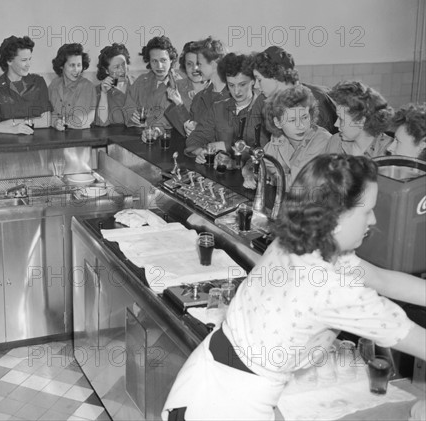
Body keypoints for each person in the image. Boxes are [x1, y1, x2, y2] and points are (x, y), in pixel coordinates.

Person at [164, 154, 426, 421]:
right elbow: (416, 339)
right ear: (335, 219)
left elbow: (383, 280)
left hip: (209, 379)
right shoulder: (330, 287)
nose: (373, 221)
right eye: (367, 210)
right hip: (230, 403)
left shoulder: (302, 242)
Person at [186, 52, 269, 164]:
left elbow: (263, 150)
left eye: (242, 84)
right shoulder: (218, 107)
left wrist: (227, 147)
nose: (236, 91)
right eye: (231, 85)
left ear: (253, 81)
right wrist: (200, 151)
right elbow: (196, 137)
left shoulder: (264, 108)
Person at [243, 85, 331, 190]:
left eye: (304, 117)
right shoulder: (280, 139)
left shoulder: (322, 140)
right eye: (292, 120)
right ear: (278, 123)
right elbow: (256, 160)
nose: (301, 125)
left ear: (311, 115)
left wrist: (273, 178)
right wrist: (249, 173)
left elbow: (300, 183)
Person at [253, 46, 337, 134]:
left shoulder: (315, 99)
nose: (256, 86)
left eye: (259, 80)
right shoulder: (264, 101)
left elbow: (322, 142)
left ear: (275, 76)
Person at [0, 36, 51, 135]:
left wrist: (12, 123)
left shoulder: (38, 82)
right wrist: (11, 129)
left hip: (37, 142)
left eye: (30, 59)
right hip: (7, 143)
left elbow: (46, 121)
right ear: (9, 61)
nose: (28, 64)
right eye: (24, 60)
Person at [166, 37, 227, 136]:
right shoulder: (199, 97)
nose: (196, 68)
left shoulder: (232, 93)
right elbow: (190, 128)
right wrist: (178, 103)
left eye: (199, 63)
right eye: (190, 64)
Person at [123, 35, 183, 136]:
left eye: (163, 60)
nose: (159, 66)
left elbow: (177, 118)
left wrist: (154, 127)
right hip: (139, 135)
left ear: (171, 60)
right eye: (154, 61)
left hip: (167, 138)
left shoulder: (179, 85)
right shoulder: (142, 80)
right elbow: (128, 105)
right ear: (149, 62)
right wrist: (133, 115)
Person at [325, 81, 393, 157]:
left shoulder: (388, 149)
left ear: (360, 121)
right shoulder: (335, 141)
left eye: (341, 119)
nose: (336, 124)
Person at [48, 43, 96, 130]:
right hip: (56, 137)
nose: (76, 70)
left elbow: (80, 121)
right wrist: (55, 122)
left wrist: (55, 121)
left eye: (79, 65)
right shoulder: (54, 84)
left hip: (80, 139)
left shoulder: (87, 87)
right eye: (72, 65)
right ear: (62, 66)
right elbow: (46, 113)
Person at [94, 43, 135, 126]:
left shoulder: (139, 84)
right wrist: (104, 94)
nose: (122, 70)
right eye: (116, 67)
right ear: (106, 70)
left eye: (124, 64)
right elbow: (102, 123)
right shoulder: (98, 91)